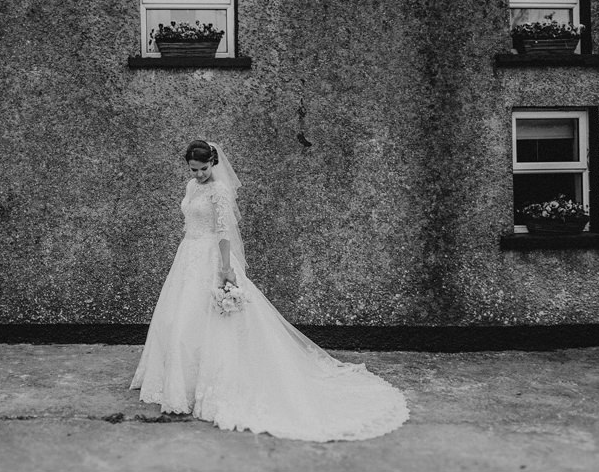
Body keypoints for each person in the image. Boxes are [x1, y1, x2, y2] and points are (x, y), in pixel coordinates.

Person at [130, 140, 409, 442]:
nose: (198, 175)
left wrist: (225, 269)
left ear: (213, 163)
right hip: (188, 257)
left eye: (203, 169)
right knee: (178, 319)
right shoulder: (190, 186)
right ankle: (179, 383)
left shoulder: (219, 191)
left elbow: (224, 232)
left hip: (212, 258)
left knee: (206, 321)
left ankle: (211, 385)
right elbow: (190, 222)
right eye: (193, 170)